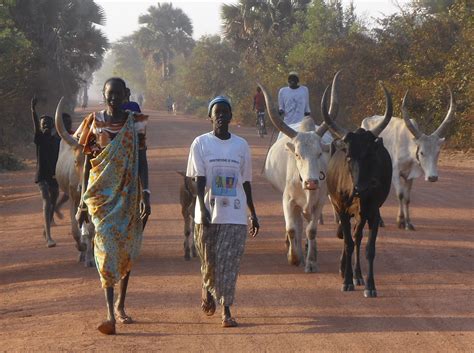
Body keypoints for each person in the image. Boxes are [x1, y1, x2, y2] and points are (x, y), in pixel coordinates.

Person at [74, 77, 151, 335]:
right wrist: (83, 201)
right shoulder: (94, 123)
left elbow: (142, 159)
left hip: (129, 194)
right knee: (106, 249)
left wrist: (146, 193)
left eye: (118, 94)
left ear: (126, 94)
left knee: (127, 246)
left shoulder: (135, 123)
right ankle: (109, 312)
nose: (114, 98)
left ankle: (121, 303)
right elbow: (88, 162)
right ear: (104, 95)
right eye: (110, 94)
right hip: (101, 198)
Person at [186, 95, 259, 328]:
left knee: (229, 263)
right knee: (210, 262)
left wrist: (253, 213)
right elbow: (198, 179)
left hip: (234, 215)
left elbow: (246, 182)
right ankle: (207, 286)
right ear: (210, 117)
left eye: (224, 113)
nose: (220, 117)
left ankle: (226, 311)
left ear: (230, 116)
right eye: (216, 113)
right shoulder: (200, 144)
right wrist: (202, 207)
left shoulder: (241, 146)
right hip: (206, 214)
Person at [31, 96, 61, 248]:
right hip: (42, 176)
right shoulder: (39, 138)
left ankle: (46, 228)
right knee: (47, 201)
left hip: (54, 176)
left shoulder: (57, 140)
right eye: (44, 124)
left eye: (49, 123)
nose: (46, 126)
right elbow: (35, 126)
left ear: (54, 126)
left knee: (53, 201)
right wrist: (33, 111)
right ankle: (49, 237)